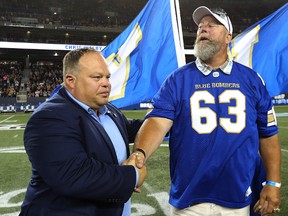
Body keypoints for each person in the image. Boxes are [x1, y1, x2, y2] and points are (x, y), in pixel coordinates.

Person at [132, 6, 281, 216]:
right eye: (201, 26)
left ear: (228, 37)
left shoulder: (251, 80)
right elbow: (157, 121)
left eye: (212, 25)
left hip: (237, 197)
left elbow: (268, 134)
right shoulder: (177, 79)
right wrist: (140, 153)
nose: (203, 29)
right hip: (190, 200)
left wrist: (273, 183)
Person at [20, 48, 147, 216]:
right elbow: (74, 175)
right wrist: (133, 175)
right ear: (71, 81)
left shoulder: (108, 110)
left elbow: (132, 129)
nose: (106, 83)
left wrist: (163, 117)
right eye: (97, 77)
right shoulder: (49, 117)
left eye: (107, 77)